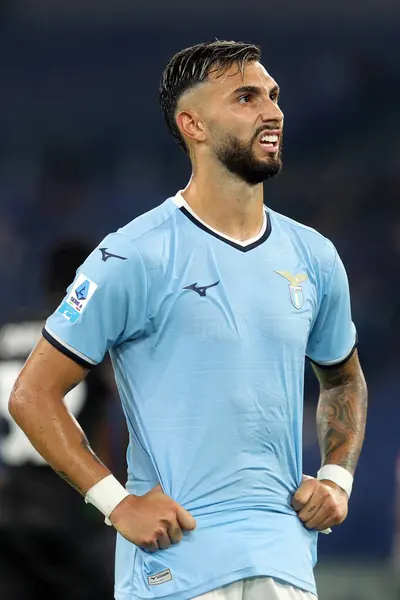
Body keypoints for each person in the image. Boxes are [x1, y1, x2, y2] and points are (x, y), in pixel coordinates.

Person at [9, 41, 368, 600]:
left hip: (285, 559)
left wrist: (336, 478)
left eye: (273, 96)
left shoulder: (314, 255)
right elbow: (32, 395)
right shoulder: (132, 255)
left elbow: (342, 378)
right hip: (174, 569)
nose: (272, 111)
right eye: (246, 97)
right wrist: (117, 503)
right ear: (192, 124)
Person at [1, 240, 120, 600]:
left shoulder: (7, 330)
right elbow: (116, 420)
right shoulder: (86, 330)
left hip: (10, 506)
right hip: (73, 505)